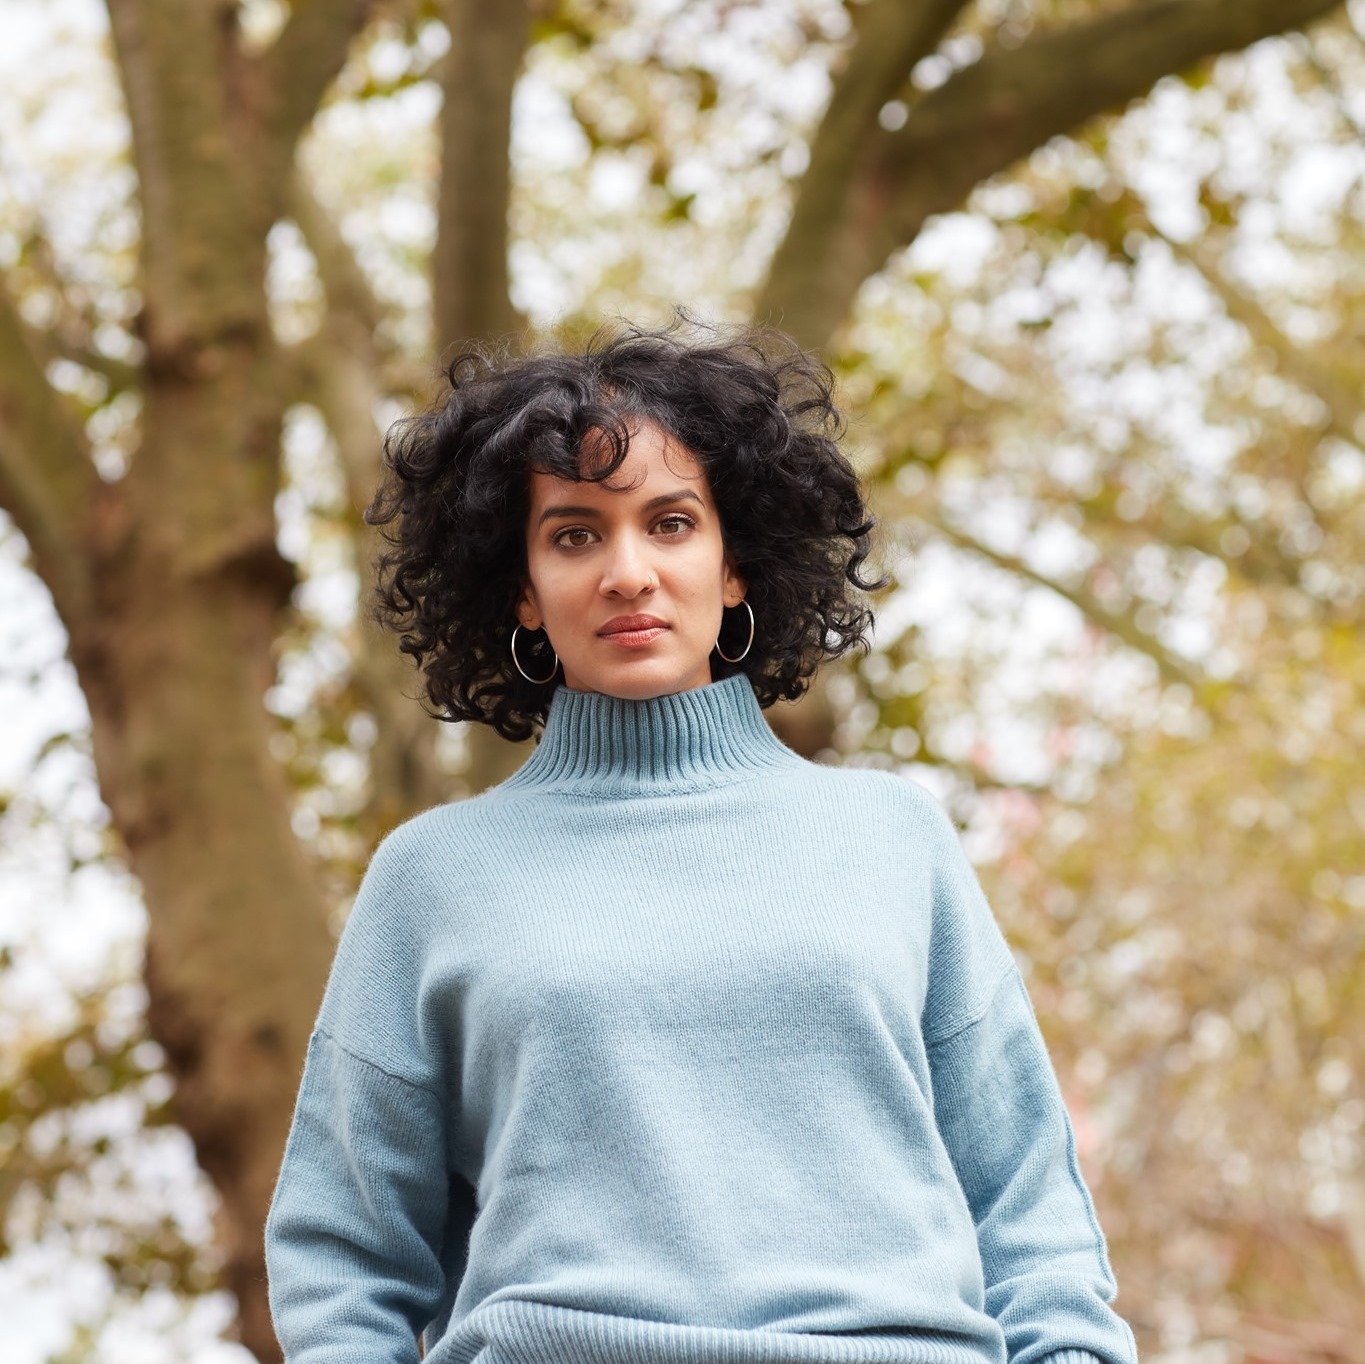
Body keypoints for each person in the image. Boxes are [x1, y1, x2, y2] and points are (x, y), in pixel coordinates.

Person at [263, 320, 1137, 1364]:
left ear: (734, 566)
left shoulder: (894, 838)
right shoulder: (431, 877)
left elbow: (1027, 1201)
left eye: (670, 522)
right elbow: (343, 1257)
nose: (629, 572)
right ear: (523, 590)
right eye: (576, 534)